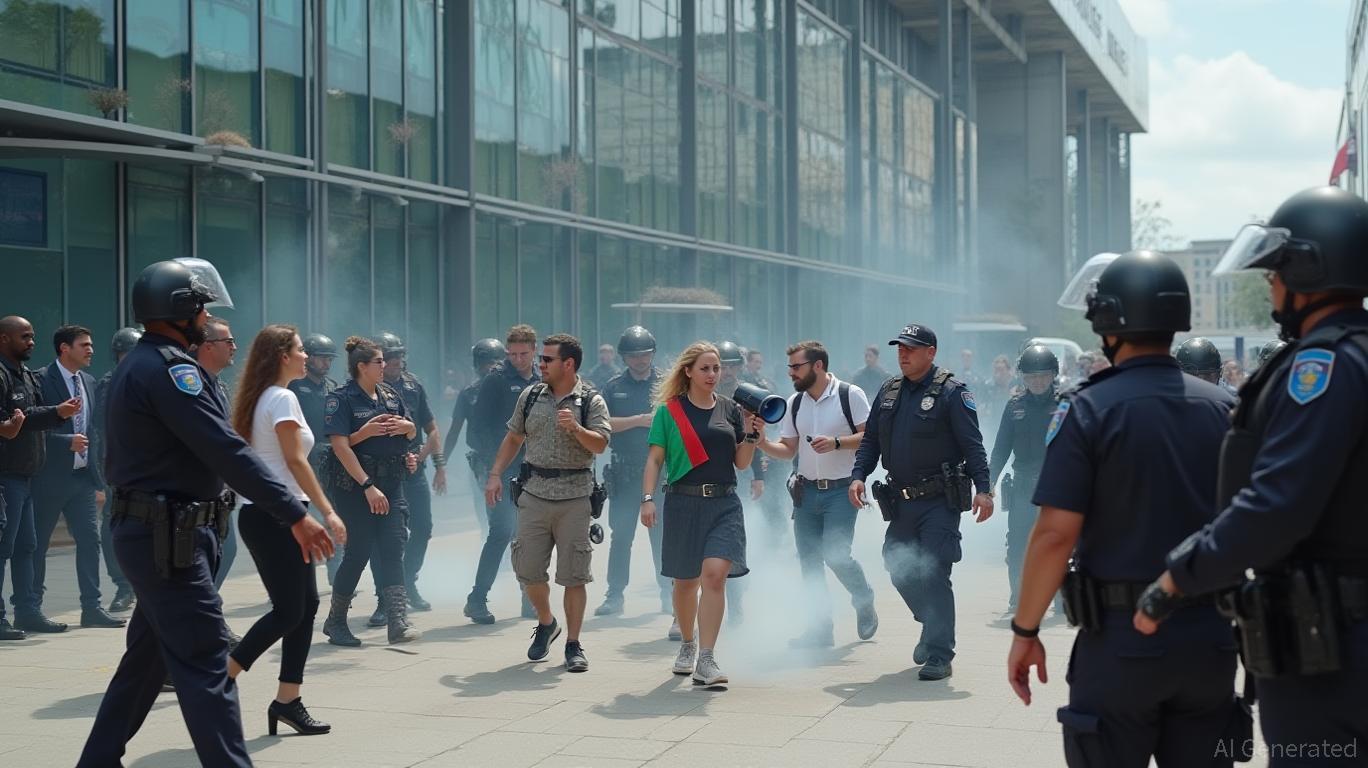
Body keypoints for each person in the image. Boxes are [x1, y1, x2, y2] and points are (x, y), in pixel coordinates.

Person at [1135, 186, 1368, 765]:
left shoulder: (1325, 366)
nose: (1270, 286)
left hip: (1334, 648)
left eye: (1276, 272)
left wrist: (1176, 578)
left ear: (1310, 269)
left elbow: (1276, 504)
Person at [78, 260, 331, 767]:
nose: (205, 316)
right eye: (201, 306)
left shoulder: (146, 364)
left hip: (156, 534)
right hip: (166, 538)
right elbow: (225, 451)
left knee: (145, 663)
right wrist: (293, 513)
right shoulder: (172, 370)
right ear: (181, 309)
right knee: (207, 663)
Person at [1006, 250, 1238, 767]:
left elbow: (1053, 536)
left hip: (1120, 640)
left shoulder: (1089, 407)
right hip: (1210, 641)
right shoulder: (1225, 409)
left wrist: (1026, 630)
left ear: (1108, 320)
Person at [848, 323, 993, 681]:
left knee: (933, 570)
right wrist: (858, 475)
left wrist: (984, 489)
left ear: (931, 352)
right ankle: (932, 624)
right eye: (900, 348)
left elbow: (973, 445)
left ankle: (940, 654)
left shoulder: (951, 393)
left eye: (911, 348)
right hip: (901, 499)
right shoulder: (888, 391)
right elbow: (871, 442)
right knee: (896, 566)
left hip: (939, 501)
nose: (903, 354)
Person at [227, 325, 348, 736]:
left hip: (269, 515)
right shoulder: (282, 397)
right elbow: (297, 461)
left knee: (305, 606)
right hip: (278, 516)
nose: (305, 355)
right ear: (282, 356)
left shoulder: (260, 397)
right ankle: (218, 680)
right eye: (299, 350)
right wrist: (327, 511)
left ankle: (287, 701)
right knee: (289, 610)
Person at [640, 342, 764, 686]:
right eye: (705, 368)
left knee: (714, 575)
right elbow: (654, 459)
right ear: (689, 372)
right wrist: (647, 498)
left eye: (716, 368)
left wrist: (752, 435)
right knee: (685, 582)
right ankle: (688, 643)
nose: (713, 374)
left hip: (724, 503)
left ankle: (707, 659)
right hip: (682, 502)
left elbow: (741, 463)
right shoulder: (669, 411)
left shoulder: (730, 410)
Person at [484, 334, 610, 671]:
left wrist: (577, 430)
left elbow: (600, 444)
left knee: (574, 575)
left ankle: (573, 644)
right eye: (540, 359)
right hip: (535, 493)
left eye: (547, 360)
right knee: (526, 568)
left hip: (575, 497)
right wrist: (495, 473)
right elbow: (514, 436)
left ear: (568, 364)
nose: (540, 365)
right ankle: (546, 621)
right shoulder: (530, 396)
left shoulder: (591, 400)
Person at [755, 340, 879, 647]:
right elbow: (787, 449)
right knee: (809, 563)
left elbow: (871, 436)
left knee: (836, 556)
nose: (791, 374)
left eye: (797, 367)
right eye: (790, 368)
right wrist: (760, 442)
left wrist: (837, 442)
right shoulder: (795, 403)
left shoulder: (851, 395)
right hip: (806, 493)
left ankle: (863, 597)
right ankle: (820, 630)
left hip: (842, 491)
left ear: (818, 366)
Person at [319, 336, 420, 647]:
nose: (385, 365)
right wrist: (367, 484)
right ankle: (336, 621)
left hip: (391, 484)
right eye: (378, 361)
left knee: (393, 548)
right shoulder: (342, 398)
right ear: (361, 366)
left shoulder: (390, 395)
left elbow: (410, 431)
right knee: (359, 551)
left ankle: (397, 621)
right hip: (355, 488)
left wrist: (409, 434)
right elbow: (340, 446)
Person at [32, 325, 124, 629]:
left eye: (91, 344)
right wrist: (63, 443)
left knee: (90, 540)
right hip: (48, 477)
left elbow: (92, 430)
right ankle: (32, 607)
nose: (91, 350)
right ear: (64, 349)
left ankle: (91, 607)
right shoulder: (41, 379)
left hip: (82, 477)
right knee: (38, 543)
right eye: (84, 345)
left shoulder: (88, 380)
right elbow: (31, 427)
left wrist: (99, 472)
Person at [0, 316, 80, 640]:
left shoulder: (25, 376)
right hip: (6, 477)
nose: (32, 341)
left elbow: (29, 417)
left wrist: (56, 412)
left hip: (28, 476)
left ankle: (28, 612)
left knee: (27, 547)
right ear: (4, 339)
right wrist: (7, 428)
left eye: (32, 336)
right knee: (4, 549)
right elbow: (10, 422)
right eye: (25, 336)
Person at [464, 324, 541, 625]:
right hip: (500, 470)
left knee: (529, 536)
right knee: (500, 533)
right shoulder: (495, 381)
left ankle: (528, 598)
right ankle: (477, 599)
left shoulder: (541, 379)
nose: (518, 359)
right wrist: (493, 468)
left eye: (524, 353)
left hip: (533, 470)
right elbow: (477, 429)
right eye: (513, 354)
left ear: (534, 351)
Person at [594, 326, 672, 619]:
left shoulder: (666, 385)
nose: (640, 360)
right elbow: (601, 423)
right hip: (625, 473)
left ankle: (668, 593)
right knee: (621, 535)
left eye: (645, 354)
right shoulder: (613, 387)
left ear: (653, 353)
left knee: (661, 536)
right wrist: (640, 420)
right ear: (624, 357)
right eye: (634, 355)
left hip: (662, 471)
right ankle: (615, 595)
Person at [368, 332, 445, 622]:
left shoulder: (413, 386)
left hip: (413, 470)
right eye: (391, 356)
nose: (398, 360)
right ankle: (383, 599)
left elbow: (432, 428)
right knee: (384, 537)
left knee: (423, 528)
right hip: (380, 473)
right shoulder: (367, 388)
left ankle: (408, 580)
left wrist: (427, 459)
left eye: (400, 354)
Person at [989, 344, 1059, 616]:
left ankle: (1062, 598)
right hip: (1022, 489)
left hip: (1057, 489)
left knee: (1059, 544)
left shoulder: (1067, 405)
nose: (1037, 381)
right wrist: (988, 483)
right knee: (1017, 544)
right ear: (1023, 378)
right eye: (1031, 376)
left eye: (1042, 375)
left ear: (1053, 375)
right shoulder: (1014, 406)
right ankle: (1018, 597)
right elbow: (1000, 449)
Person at [94, 326, 141, 612]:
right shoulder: (109, 383)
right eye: (127, 354)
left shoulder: (149, 380)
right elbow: (102, 422)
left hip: (148, 466)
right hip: (118, 467)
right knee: (113, 526)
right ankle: (123, 586)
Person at [289, 332, 343, 585]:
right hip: (300, 461)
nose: (326, 363)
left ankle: (337, 573)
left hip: (330, 461)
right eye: (321, 358)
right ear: (308, 358)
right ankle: (290, 576)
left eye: (329, 359)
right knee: (298, 518)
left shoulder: (333, 388)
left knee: (333, 515)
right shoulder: (293, 388)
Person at [442, 338, 506, 538]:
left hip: (511, 458)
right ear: (478, 365)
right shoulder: (468, 394)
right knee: (486, 510)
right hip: (484, 461)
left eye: (496, 363)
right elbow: (454, 430)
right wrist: (442, 463)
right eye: (487, 363)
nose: (491, 368)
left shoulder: (513, 389)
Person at [196, 317, 241, 591]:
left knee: (225, 551)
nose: (234, 346)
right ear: (208, 347)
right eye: (228, 341)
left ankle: (205, 611)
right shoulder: (191, 384)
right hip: (197, 489)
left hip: (218, 488)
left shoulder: (219, 385)